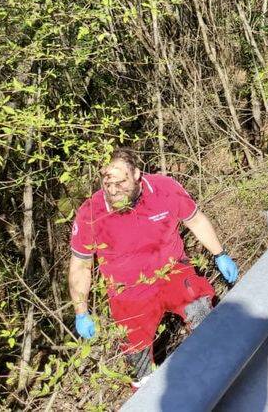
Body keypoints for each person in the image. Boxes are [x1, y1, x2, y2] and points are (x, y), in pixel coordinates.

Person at [68, 148, 239, 385]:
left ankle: (224, 376)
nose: (114, 191)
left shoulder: (164, 189)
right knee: (137, 363)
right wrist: (81, 311)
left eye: (121, 183)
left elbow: (196, 221)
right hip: (128, 292)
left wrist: (219, 254)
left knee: (202, 314)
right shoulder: (91, 213)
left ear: (137, 174)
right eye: (108, 185)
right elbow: (81, 266)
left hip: (171, 271)